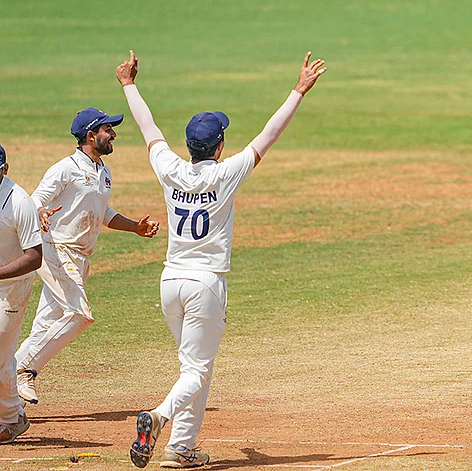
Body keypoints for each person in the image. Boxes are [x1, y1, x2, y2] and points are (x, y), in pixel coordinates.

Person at [117, 49, 326, 468]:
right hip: (205, 284)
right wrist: (299, 90)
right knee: (195, 370)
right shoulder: (226, 174)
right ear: (219, 145)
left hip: (170, 281)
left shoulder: (169, 168)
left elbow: (149, 128)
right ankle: (157, 418)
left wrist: (129, 84)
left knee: (195, 368)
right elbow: (269, 134)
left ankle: (181, 449)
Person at [14, 109, 160, 405]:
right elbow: (33, 200)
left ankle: (6, 388)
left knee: (46, 326)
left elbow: (102, 212)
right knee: (80, 315)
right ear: (90, 136)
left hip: (80, 258)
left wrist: (135, 228)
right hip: (57, 250)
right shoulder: (65, 169)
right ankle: (21, 370)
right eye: (108, 129)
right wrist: (39, 212)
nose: (114, 134)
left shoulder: (103, 172)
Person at [0, 145, 42, 443]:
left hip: (12, 286)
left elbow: (34, 257)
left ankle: (12, 419)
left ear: (5, 169)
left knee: (1, 355)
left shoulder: (19, 202)